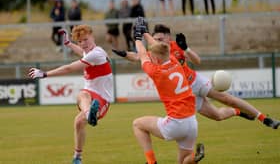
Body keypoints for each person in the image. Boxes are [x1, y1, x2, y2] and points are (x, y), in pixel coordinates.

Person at [113, 20, 280, 129]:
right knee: (218, 116)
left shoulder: (174, 46)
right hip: (185, 95)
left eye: (161, 39)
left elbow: (197, 61)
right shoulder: (154, 53)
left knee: (226, 98)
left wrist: (186, 48)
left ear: (168, 37)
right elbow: (136, 56)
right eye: (155, 39)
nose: (158, 42)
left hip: (195, 81)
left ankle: (264, 118)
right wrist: (123, 53)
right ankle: (238, 112)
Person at [28, 25, 114, 164]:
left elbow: (69, 68)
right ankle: (77, 157)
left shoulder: (96, 53)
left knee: (82, 95)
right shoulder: (90, 52)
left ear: (93, 37)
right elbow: (82, 52)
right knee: (78, 121)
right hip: (91, 99)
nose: (83, 44)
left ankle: (89, 114)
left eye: (85, 39)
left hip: (103, 100)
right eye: (80, 41)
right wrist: (69, 44)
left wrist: (45, 74)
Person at [132, 17, 205, 164]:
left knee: (137, 124)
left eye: (153, 56)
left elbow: (142, 55)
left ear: (157, 59)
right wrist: (146, 33)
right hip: (192, 122)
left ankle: (151, 162)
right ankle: (193, 157)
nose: (151, 56)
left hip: (176, 123)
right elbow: (159, 48)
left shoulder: (156, 72)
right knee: (183, 161)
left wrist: (137, 38)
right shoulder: (174, 61)